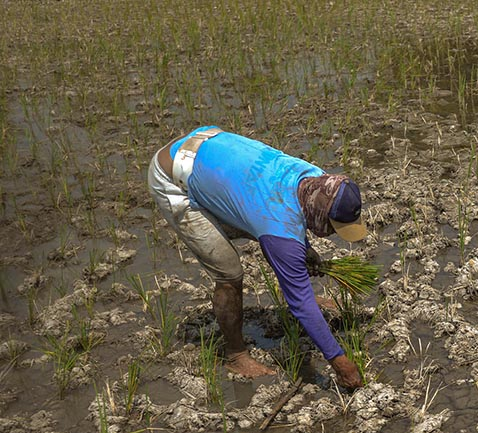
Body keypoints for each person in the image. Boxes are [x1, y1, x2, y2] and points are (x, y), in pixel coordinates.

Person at [147, 126, 364, 388]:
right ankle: (235, 354)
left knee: (268, 232)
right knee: (229, 273)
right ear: (319, 217)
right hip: (172, 177)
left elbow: (288, 214)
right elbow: (282, 235)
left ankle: (297, 286)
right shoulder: (278, 226)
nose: (332, 233)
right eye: (333, 226)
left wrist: (303, 250)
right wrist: (341, 364)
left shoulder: (316, 178)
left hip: (210, 146)